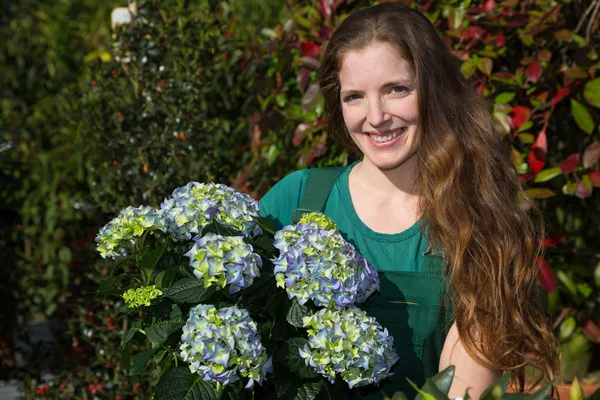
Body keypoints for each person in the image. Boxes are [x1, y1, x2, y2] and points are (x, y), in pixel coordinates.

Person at [259, 3, 558, 399]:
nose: (376, 116)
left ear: (433, 88)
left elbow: (458, 391)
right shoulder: (295, 201)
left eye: (396, 89)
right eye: (355, 97)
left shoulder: (475, 223)